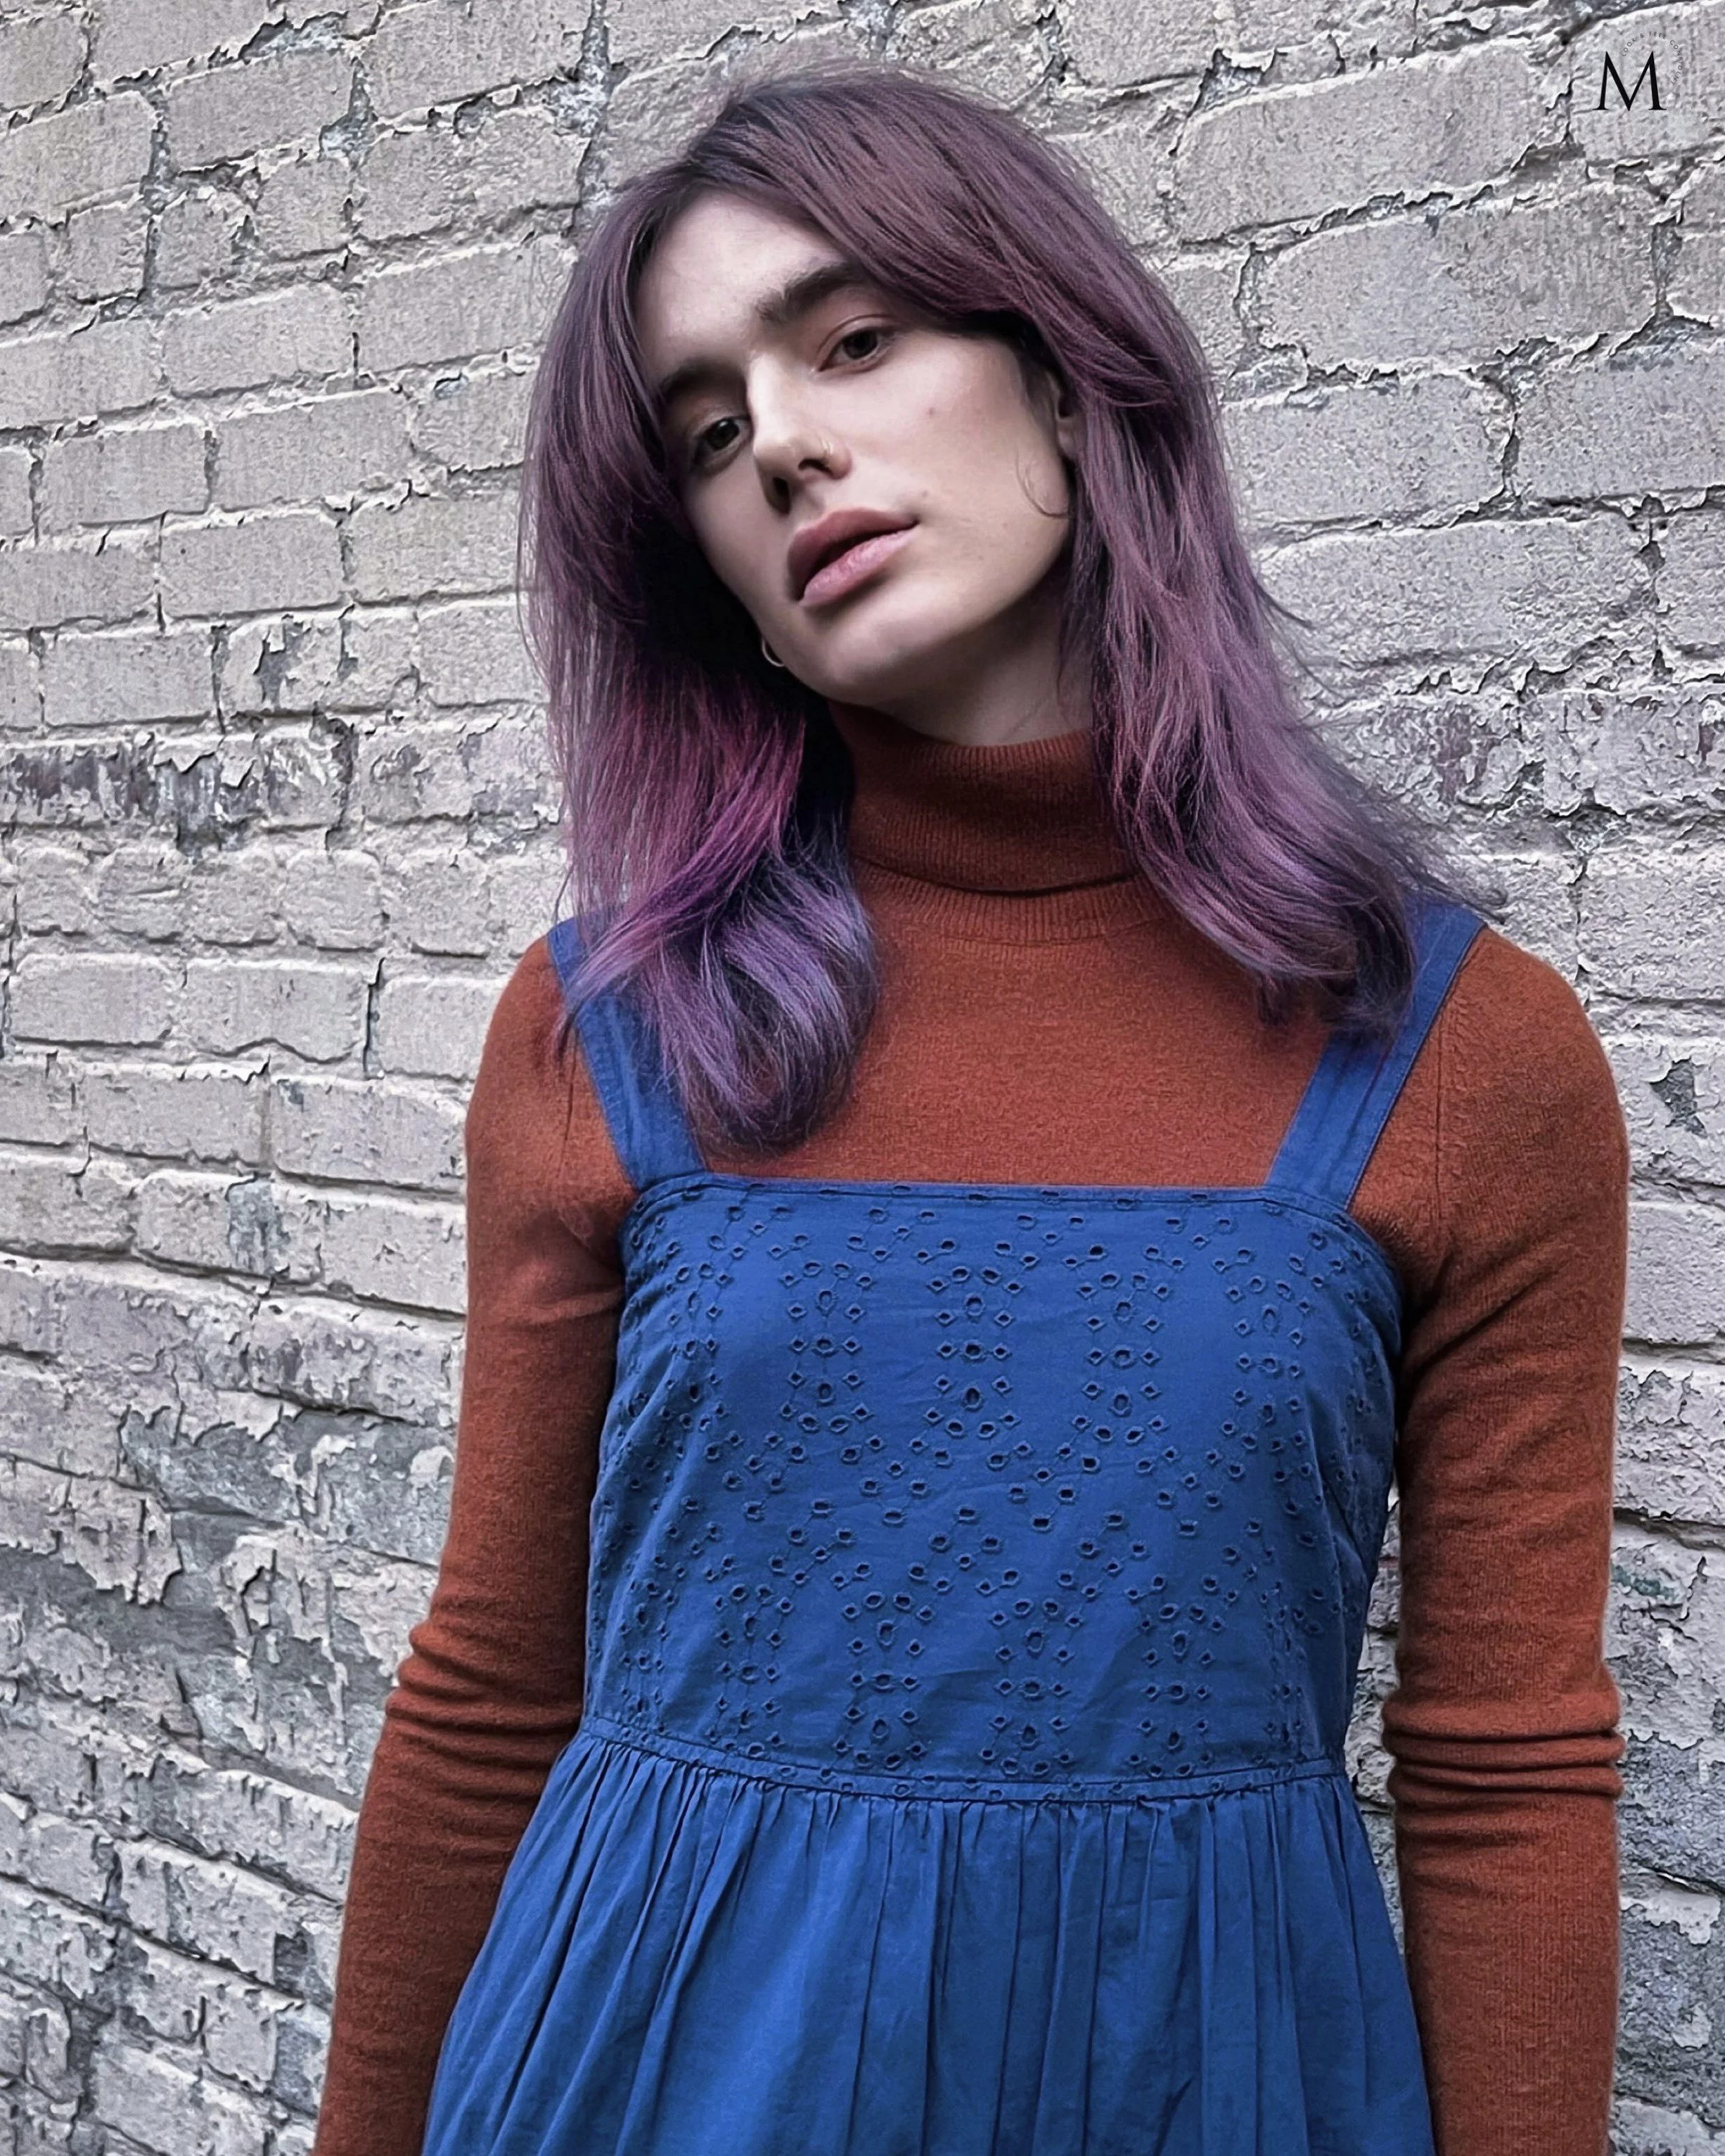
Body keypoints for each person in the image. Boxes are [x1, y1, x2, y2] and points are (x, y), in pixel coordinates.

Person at [311, 61, 1629, 2156]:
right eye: (710, 435)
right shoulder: (610, 1029)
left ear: (1069, 375)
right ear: (707, 574)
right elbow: (489, 1684)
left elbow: (1504, 1770)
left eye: (854, 342)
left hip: (1197, 2073)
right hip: (651, 2076)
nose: (789, 448)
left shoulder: (1458, 1055)